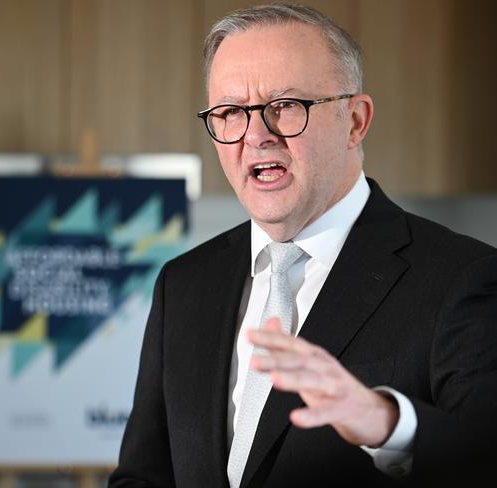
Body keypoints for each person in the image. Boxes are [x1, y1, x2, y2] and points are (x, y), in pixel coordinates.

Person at [109, 3, 497, 487]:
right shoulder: (184, 284)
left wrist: (386, 424)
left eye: (285, 107)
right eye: (231, 112)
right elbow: (143, 476)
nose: (256, 136)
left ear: (354, 120)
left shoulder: (465, 278)